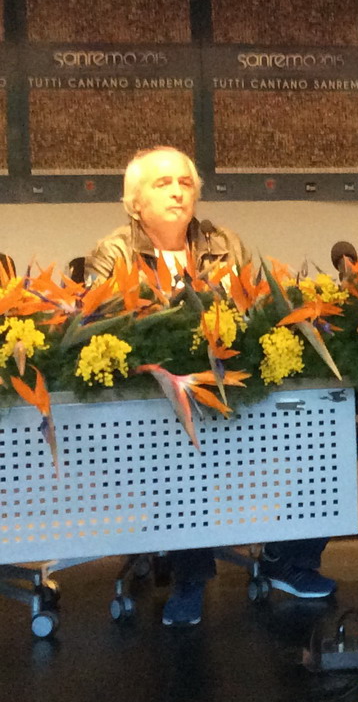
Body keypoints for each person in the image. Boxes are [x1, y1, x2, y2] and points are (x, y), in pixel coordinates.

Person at [86, 146, 336, 626]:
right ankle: (191, 577)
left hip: (233, 392)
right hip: (156, 405)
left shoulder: (224, 244)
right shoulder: (113, 251)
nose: (178, 192)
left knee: (328, 430)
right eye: (163, 184)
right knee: (181, 441)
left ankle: (289, 559)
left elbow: (256, 309)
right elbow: (100, 322)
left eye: (185, 183)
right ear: (135, 202)